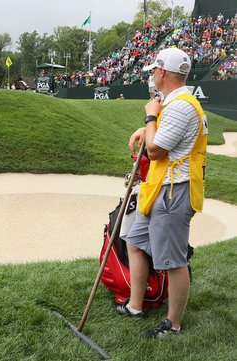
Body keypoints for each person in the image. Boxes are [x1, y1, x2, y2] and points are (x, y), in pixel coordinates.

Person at [119, 47, 208, 338]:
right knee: (135, 241)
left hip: (174, 193)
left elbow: (156, 151)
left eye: (155, 70)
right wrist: (145, 128)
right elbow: (163, 135)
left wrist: (149, 118)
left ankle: (174, 323)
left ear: (163, 73)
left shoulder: (182, 105)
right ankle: (136, 305)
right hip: (160, 190)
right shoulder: (175, 103)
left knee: (173, 260)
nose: (153, 75)